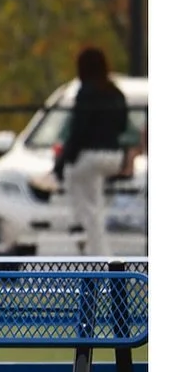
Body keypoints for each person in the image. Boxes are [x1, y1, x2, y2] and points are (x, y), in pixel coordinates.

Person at [54, 48, 136, 257]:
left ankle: (85, 233)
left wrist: (63, 161)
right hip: (114, 156)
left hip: (92, 155)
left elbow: (78, 131)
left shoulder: (86, 93)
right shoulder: (115, 92)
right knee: (94, 202)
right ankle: (92, 241)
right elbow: (122, 125)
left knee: (76, 183)